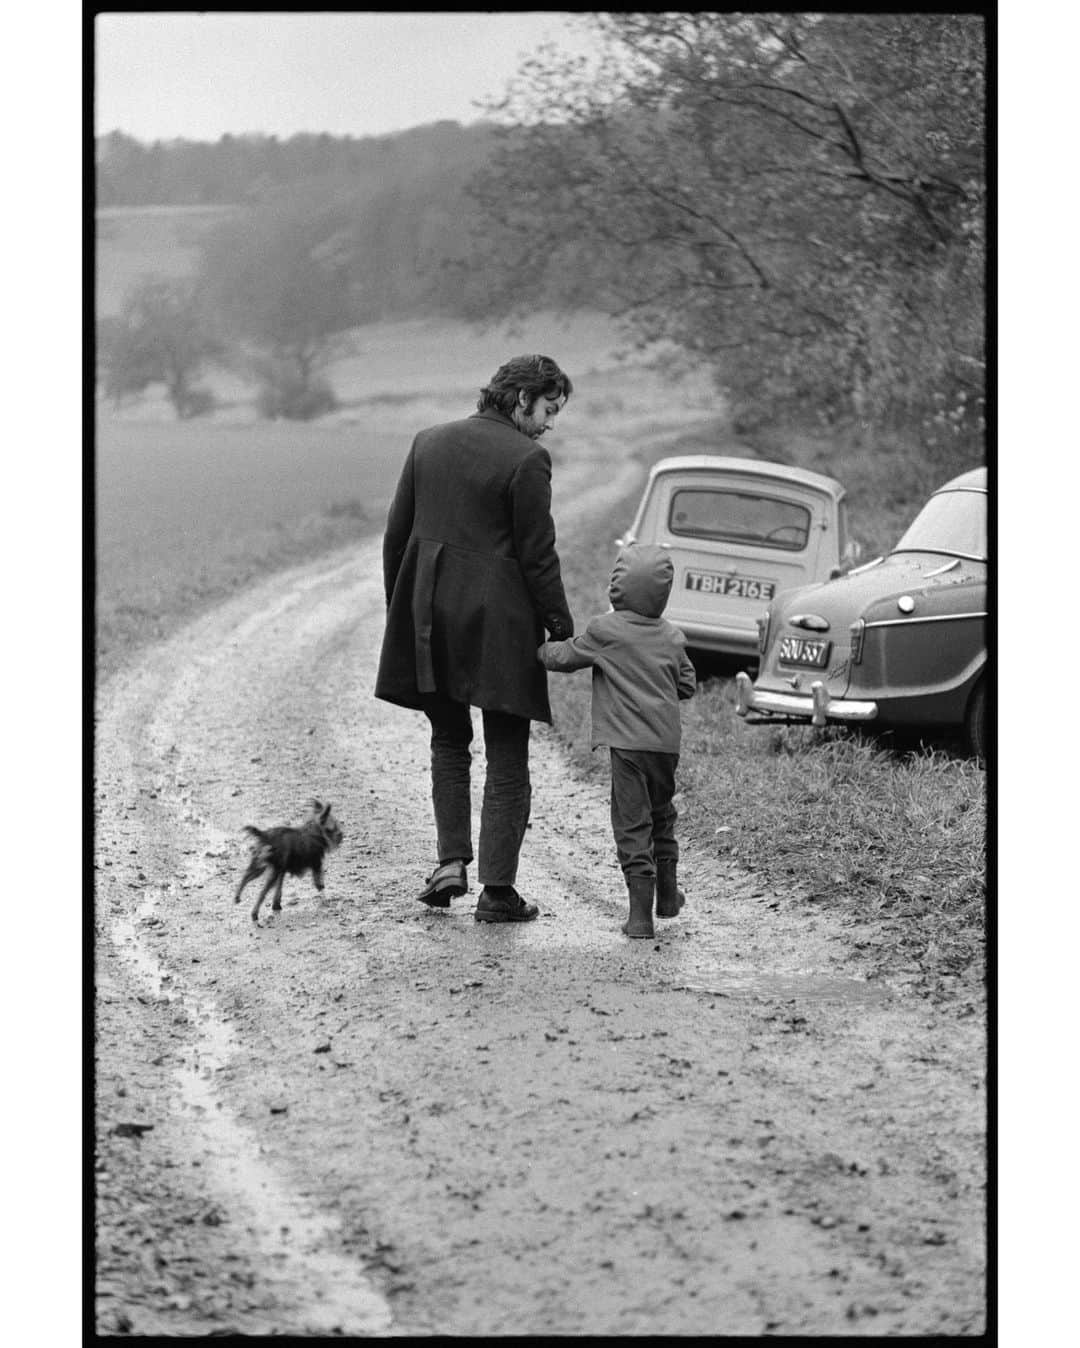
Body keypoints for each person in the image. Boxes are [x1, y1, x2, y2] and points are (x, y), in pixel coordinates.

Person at [375, 355, 575, 923]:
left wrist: (404, 611)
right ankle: (497, 893)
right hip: (499, 625)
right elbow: (538, 559)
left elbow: (396, 538)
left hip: (428, 616)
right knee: (507, 753)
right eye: (548, 409)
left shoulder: (427, 441)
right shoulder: (529, 460)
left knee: (447, 740)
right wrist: (561, 629)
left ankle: (449, 864)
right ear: (520, 401)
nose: (549, 424)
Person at [537, 543, 696, 939]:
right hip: (665, 746)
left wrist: (537, 650)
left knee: (631, 823)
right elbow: (688, 684)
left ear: (618, 585)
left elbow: (566, 657)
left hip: (627, 748)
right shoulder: (672, 637)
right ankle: (668, 896)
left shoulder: (605, 631)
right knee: (662, 815)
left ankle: (640, 917)